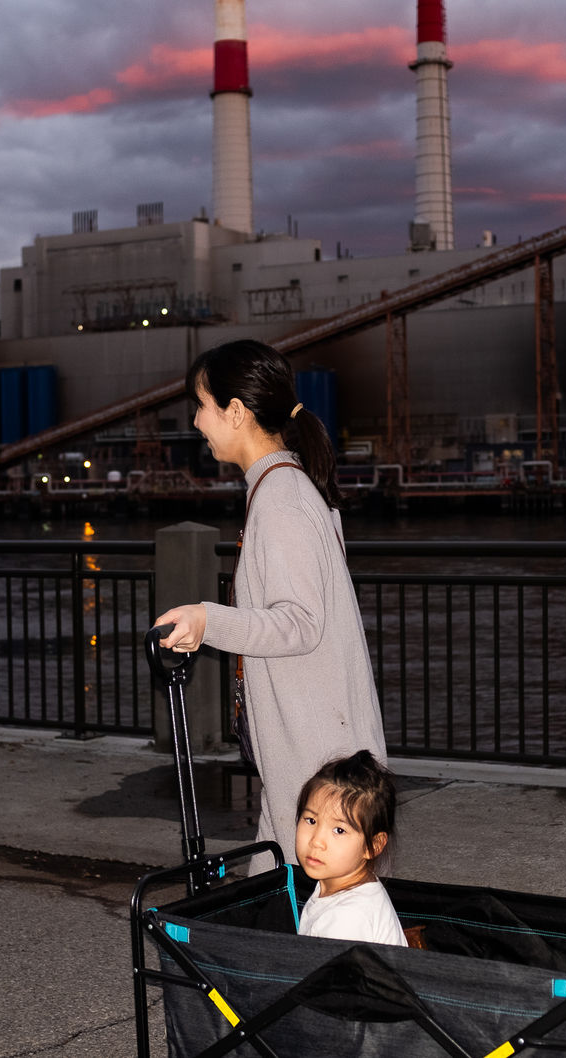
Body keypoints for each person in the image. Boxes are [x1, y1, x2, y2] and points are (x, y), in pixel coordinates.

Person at [153, 339, 389, 871]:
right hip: (312, 753)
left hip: (315, 759)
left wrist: (207, 618)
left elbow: (299, 623)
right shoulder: (286, 488)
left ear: (235, 412)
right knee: (284, 896)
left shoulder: (282, 499)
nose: (196, 421)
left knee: (305, 909)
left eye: (202, 405)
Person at [294, 750, 406, 946]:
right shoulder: (335, 883)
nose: (316, 841)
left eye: (339, 830)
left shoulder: (347, 919)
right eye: (311, 820)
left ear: (373, 846)